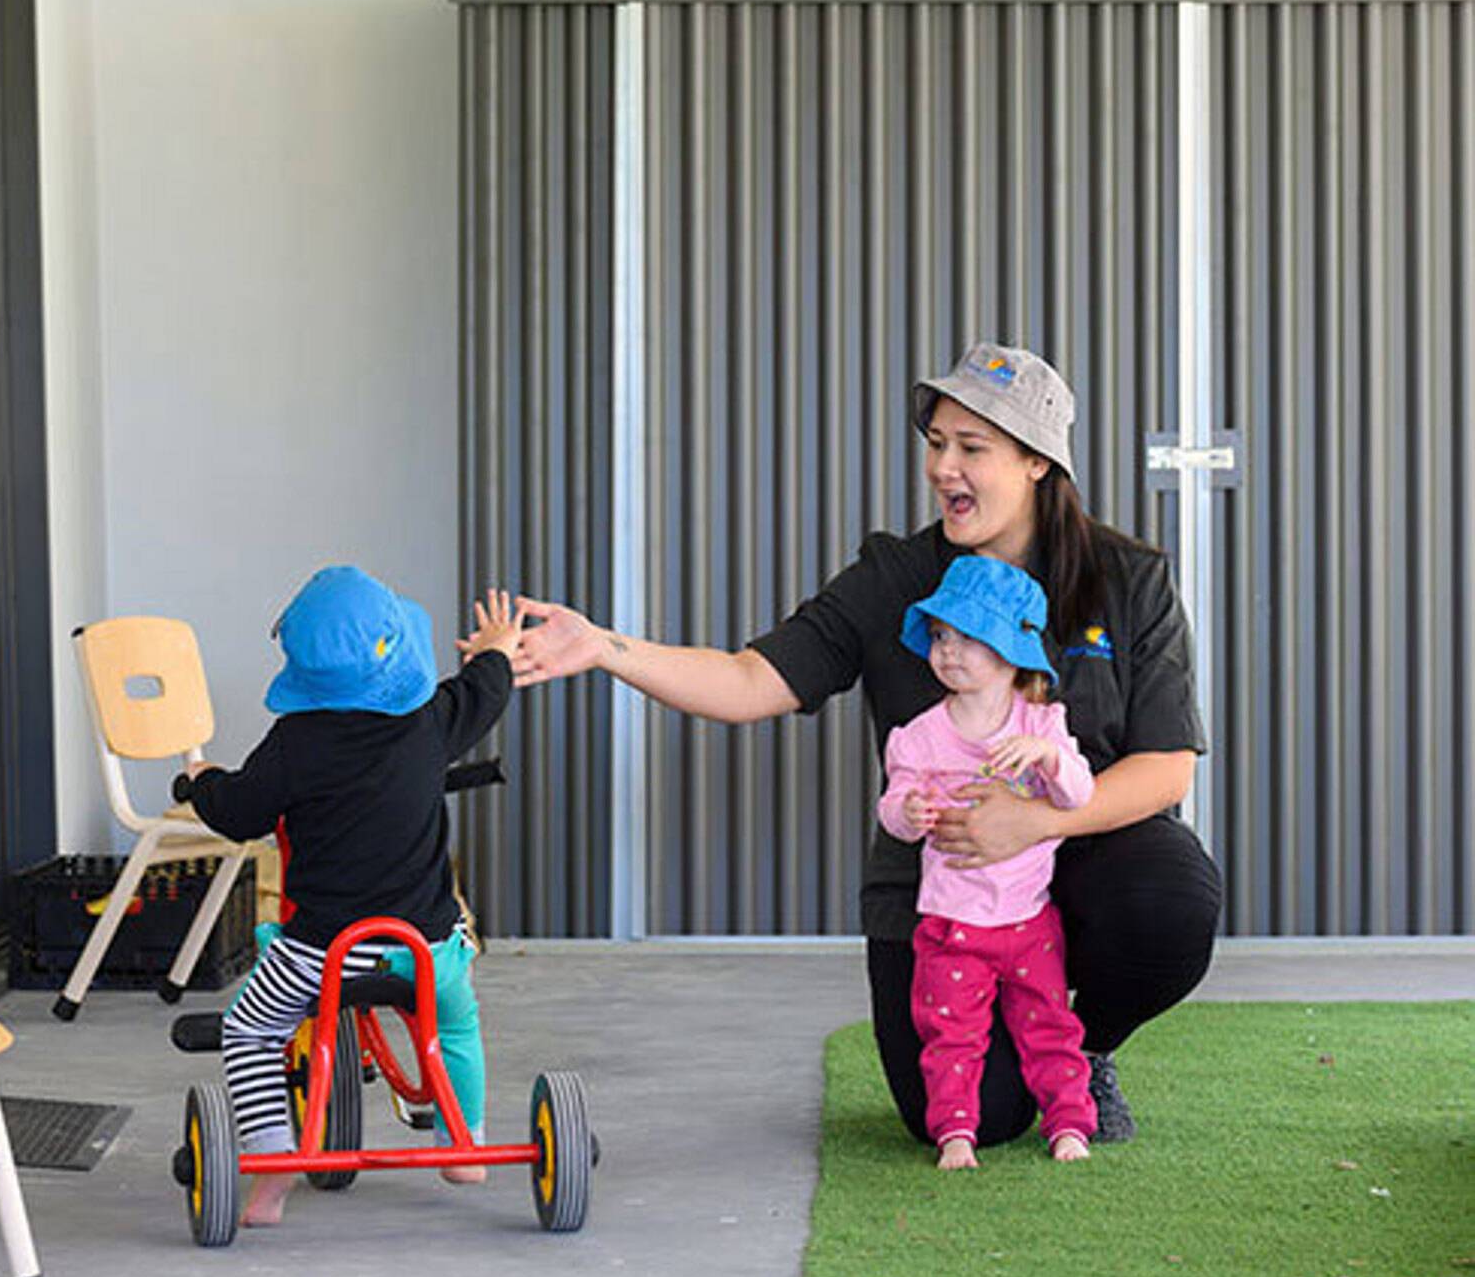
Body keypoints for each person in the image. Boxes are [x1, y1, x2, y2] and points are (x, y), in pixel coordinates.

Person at [508, 341, 1223, 1150]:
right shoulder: (894, 577)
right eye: (936, 444)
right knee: (971, 1120)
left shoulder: (1126, 577)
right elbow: (751, 681)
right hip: (942, 891)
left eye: (971, 448)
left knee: (1173, 899)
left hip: (1078, 861)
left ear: (1035, 462)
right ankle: (1023, 1056)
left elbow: (1166, 767)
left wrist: (1035, 824)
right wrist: (606, 647)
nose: (943, 467)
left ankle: (1079, 1045)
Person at [177, 566, 520, 1226]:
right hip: (426, 949)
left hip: (319, 955)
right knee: (455, 1023)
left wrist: (202, 781)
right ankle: (464, 1146)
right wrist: (495, 648)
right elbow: (487, 689)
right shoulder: (431, 721)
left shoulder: (294, 746)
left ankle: (271, 1175)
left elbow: (242, 812)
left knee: (250, 1031)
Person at [878, 555, 1096, 1170]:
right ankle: (955, 1134)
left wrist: (1049, 760)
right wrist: (908, 811)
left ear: (1011, 652)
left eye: (970, 637)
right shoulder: (918, 736)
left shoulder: (1042, 723)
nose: (949, 651)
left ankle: (1069, 1124)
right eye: (942, 636)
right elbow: (892, 808)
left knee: (1050, 1026)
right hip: (951, 926)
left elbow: (1079, 795)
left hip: (1029, 923)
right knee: (951, 1035)